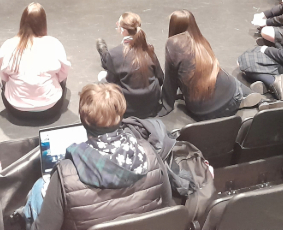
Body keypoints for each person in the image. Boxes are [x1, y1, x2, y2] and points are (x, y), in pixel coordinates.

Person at [24, 83, 173, 230]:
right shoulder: (149, 153)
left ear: (83, 121)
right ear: (120, 115)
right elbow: (167, 208)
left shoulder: (65, 174)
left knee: (38, 189)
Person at [160, 10, 263, 120]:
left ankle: (245, 99)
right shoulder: (201, 41)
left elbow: (170, 80)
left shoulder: (172, 43)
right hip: (230, 97)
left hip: (204, 112)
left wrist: (166, 105)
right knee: (225, 76)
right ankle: (258, 100)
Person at [0, 3, 71, 120]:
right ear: (43, 24)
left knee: (5, 82)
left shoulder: (8, 45)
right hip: (51, 109)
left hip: (16, 109)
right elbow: (64, 73)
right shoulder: (53, 43)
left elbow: (3, 76)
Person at [95, 13, 164, 118]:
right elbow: (160, 78)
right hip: (152, 105)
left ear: (123, 31)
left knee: (102, 76)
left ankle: (104, 54)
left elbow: (111, 83)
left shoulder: (115, 53)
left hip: (129, 108)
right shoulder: (148, 49)